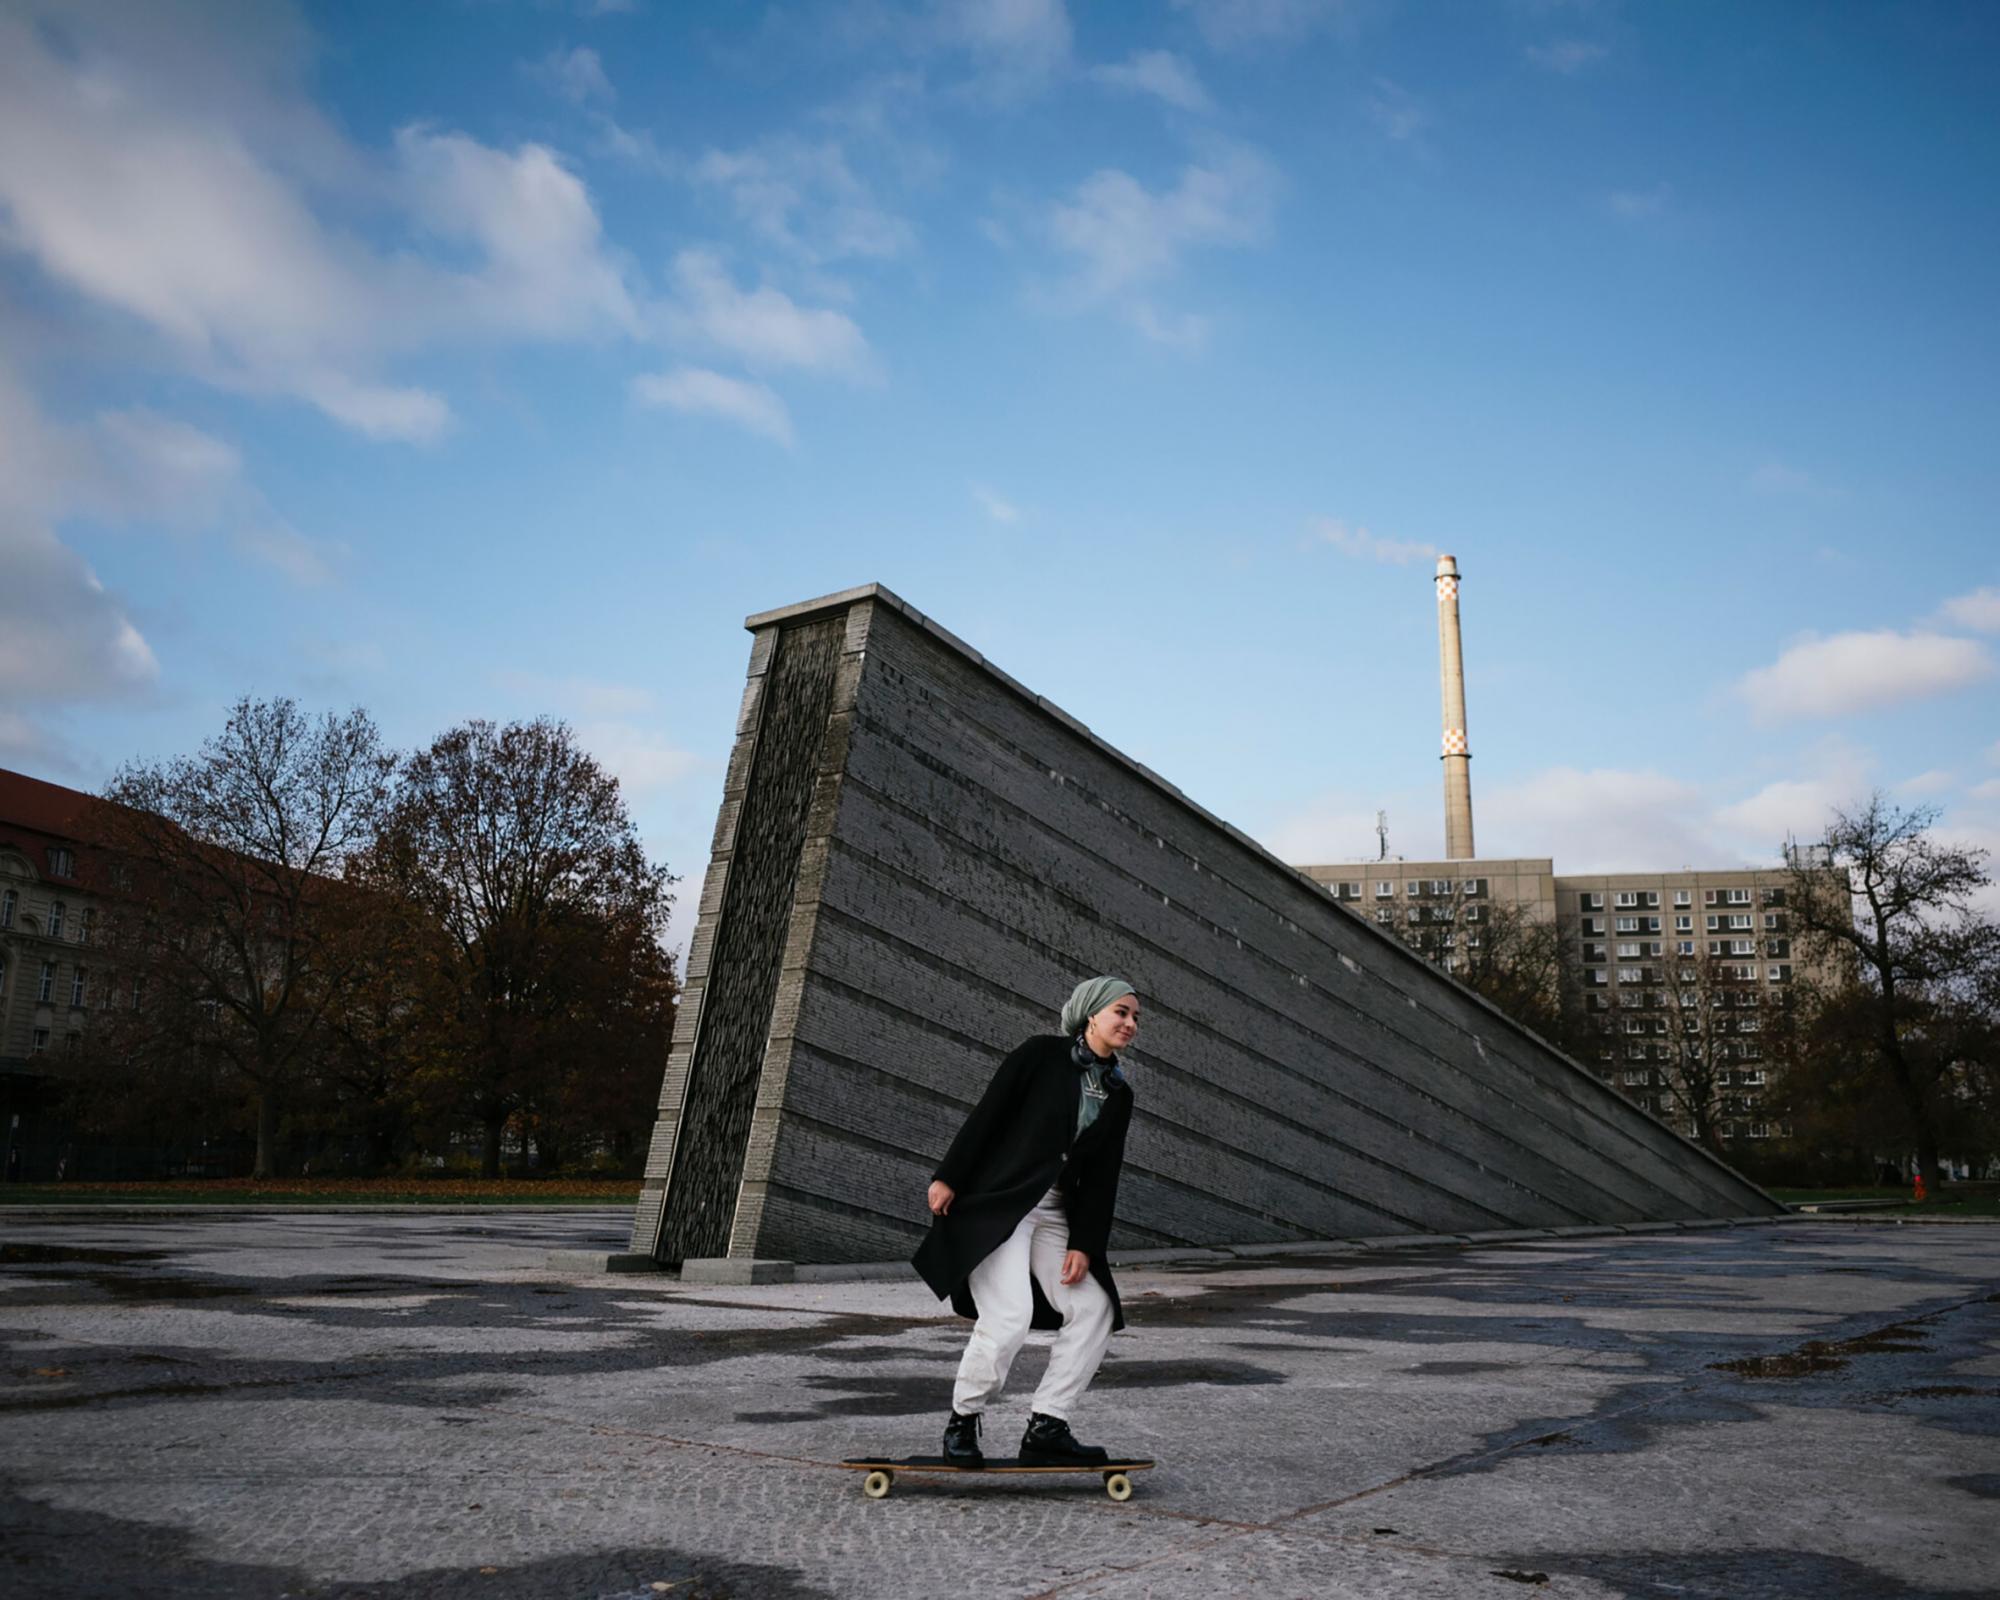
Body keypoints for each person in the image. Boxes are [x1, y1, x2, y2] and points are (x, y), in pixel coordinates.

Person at [911, 976, 1139, 1468]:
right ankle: (963, 1422)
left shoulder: (1119, 1094)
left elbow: (1103, 1176)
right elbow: (989, 1115)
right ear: (1091, 1014)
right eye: (1121, 1012)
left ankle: (1048, 1425)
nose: (1130, 1023)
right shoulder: (1040, 1056)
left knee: (1095, 1308)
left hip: (1058, 1214)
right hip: (1003, 1204)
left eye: (1135, 1017)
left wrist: (1084, 1242)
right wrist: (949, 1174)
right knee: (1009, 1317)